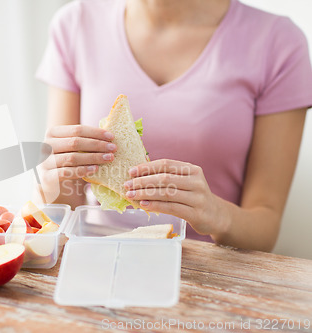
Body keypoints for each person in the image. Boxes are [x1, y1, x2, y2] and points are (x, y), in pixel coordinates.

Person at [36, 0, 312, 251]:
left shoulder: (279, 42)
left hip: (214, 273)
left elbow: (265, 229)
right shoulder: (75, 24)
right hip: (100, 256)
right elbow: (67, 206)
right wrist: (53, 182)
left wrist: (216, 214)